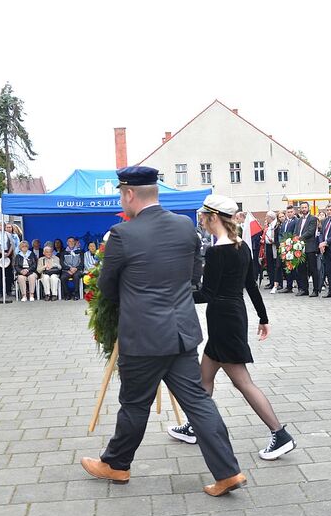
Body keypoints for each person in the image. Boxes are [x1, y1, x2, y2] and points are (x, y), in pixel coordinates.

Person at [80, 166, 245, 497]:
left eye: (120, 194)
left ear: (129, 194)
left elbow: (107, 289)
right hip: (181, 331)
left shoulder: (123, 235)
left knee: (134, 404)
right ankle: (228, 472)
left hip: (143, 338)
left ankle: (116, 464)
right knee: (198, 401)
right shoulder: (185, 226)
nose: (121, 200)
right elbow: (194, 277)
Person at [168, 195, 296, 460]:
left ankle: (279, 433)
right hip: (232, 317)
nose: (201, 220)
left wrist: (173, 295)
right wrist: (263, 317)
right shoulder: (241, 246)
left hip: (224, 320)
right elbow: (251, 285)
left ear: (213, 217)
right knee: (204, 379)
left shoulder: (217, 251)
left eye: (203, 216)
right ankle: (195, 426)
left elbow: (208, 294)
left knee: (242, 382)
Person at [294, 202, 319, 297]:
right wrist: (295, 239)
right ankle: (304, 289)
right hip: (299, 248)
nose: (304, 209)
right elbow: (296, 231)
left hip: (310, 247)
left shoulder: (313, 219)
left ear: (308, 208)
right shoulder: (299, 220)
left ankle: (316, 290)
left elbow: (310, 232)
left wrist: (299, 238)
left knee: (313, 269)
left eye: (305, 207)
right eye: (302, 207)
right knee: (301, 269)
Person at [277, 205, 298, 293]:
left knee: (295, 268)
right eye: (288, 212)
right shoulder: (285, 222)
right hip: (284, 248)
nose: (289, 213)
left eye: (291, 212)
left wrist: (290, 242)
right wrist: (281, 242)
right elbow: (281, 233)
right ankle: (289, 286)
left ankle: (300, 285)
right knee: (287, 267)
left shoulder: (296, 221)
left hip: (293, 247)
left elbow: (295, 233)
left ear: (294, 212)